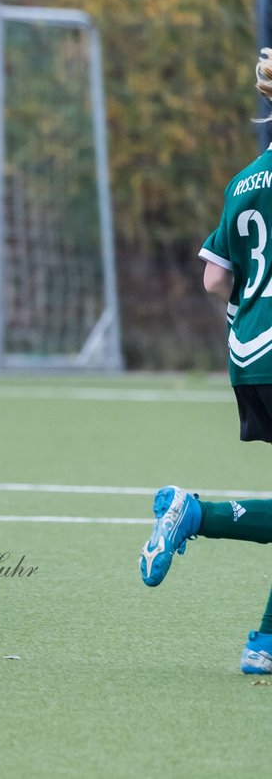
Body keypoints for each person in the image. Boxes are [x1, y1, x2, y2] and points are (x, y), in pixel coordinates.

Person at [140, 46, 272, 675]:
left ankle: (266, 644)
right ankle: (195, 514)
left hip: (251, 356)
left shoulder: (245, 181)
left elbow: (214, 280)